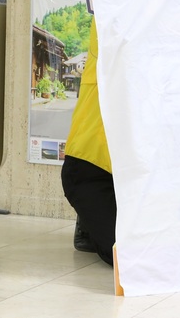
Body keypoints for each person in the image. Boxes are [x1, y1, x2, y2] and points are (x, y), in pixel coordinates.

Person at [60, 18, 116, 266]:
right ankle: (89, 222)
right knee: (125, 255)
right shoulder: (111, 22)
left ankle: (91, 225)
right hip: (93, 168)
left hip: (134, 177)